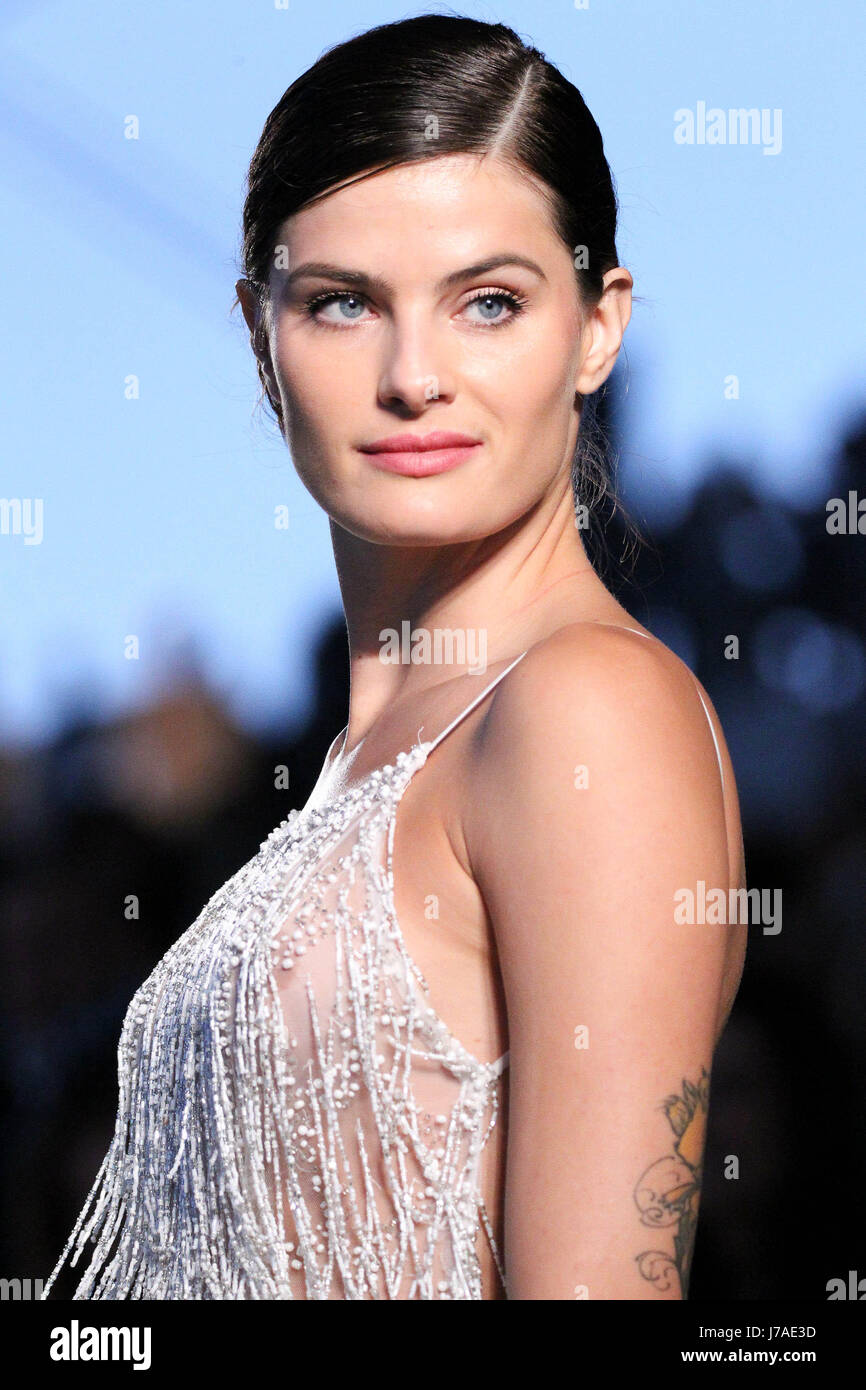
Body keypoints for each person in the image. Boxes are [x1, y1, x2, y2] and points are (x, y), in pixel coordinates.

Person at [42, 12, 747, 1301]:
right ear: (261, 338)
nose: (414, 375)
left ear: (599, 326)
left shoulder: (588, 713)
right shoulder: (359, 758)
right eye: (342, 304)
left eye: (489, 302)